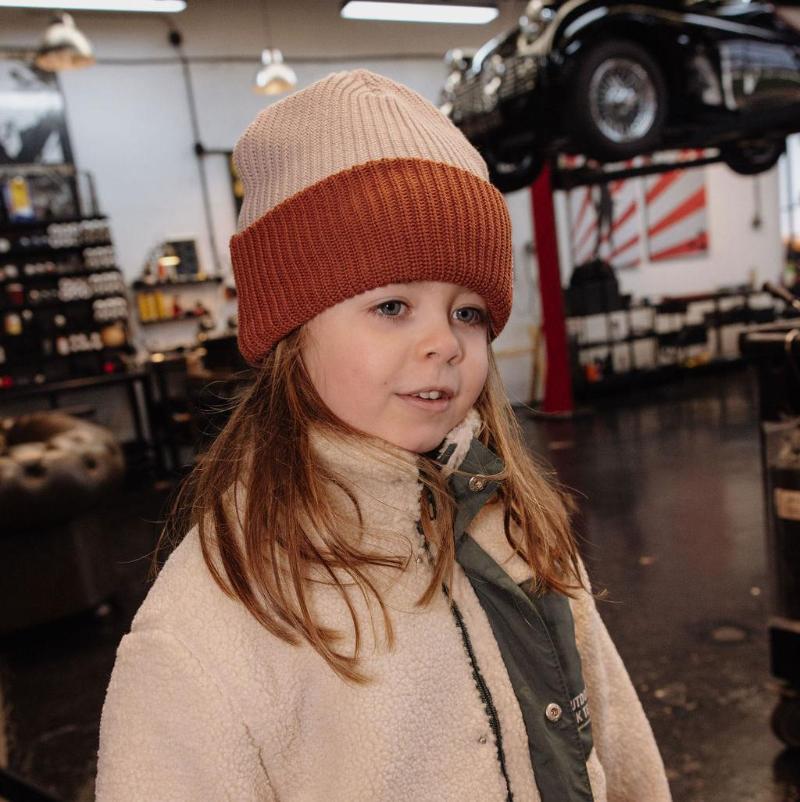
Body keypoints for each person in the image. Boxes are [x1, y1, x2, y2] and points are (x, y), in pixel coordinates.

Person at [95, 69, 671, 802]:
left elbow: (615, 744)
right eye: (393, 306)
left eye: (467, 312)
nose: (445, 343)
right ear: (291, 330)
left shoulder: (516, 523)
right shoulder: (208, 628)